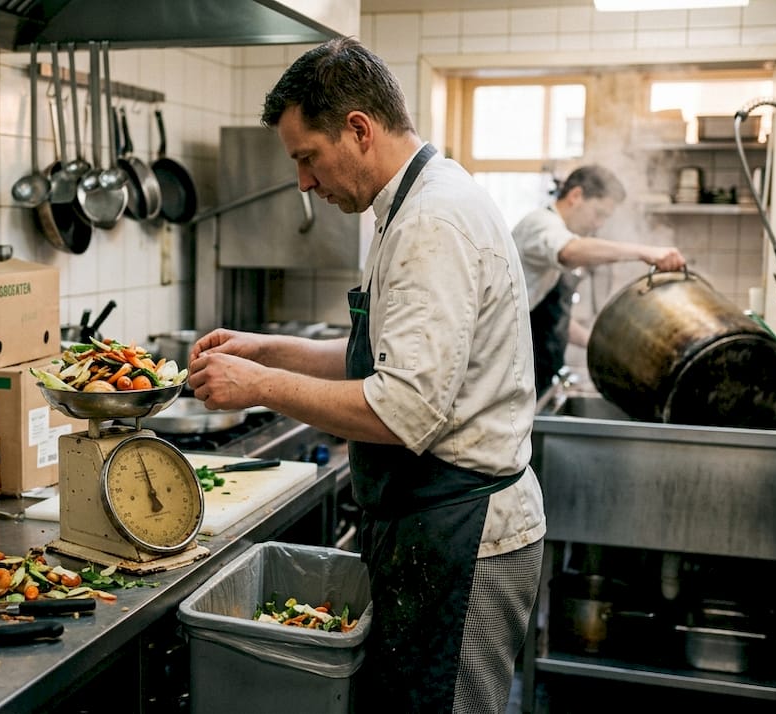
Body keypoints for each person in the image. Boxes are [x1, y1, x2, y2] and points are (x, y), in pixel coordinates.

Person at [186, 37, 545, 714]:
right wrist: (271, 349)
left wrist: (257, 387)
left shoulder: (432, 221)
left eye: (306, 158)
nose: (303, 182)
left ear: (358, 129)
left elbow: (401, 409)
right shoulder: (407, 207)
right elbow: (380, 363)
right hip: (434, 526)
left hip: (463, 534)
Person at [512, 165, 686, 395]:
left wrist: (600, 345)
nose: (598, 224)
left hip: (536, 374)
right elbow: (569, 251)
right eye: (599, 214)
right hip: (512, 367)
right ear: (576, 196)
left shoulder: (556, 233)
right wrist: (645, 252)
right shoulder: (541, 223)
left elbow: (550, 319)